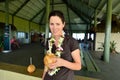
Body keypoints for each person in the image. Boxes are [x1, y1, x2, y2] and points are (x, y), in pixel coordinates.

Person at [42, 10, 82, 80]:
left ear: (63, 24)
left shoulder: (71, 42)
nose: (54, 28)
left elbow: (78, 66)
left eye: (58, 24)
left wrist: (63, 62)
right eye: (52, 24)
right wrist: (43, 78)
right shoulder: (48, 41)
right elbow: (47, 64)